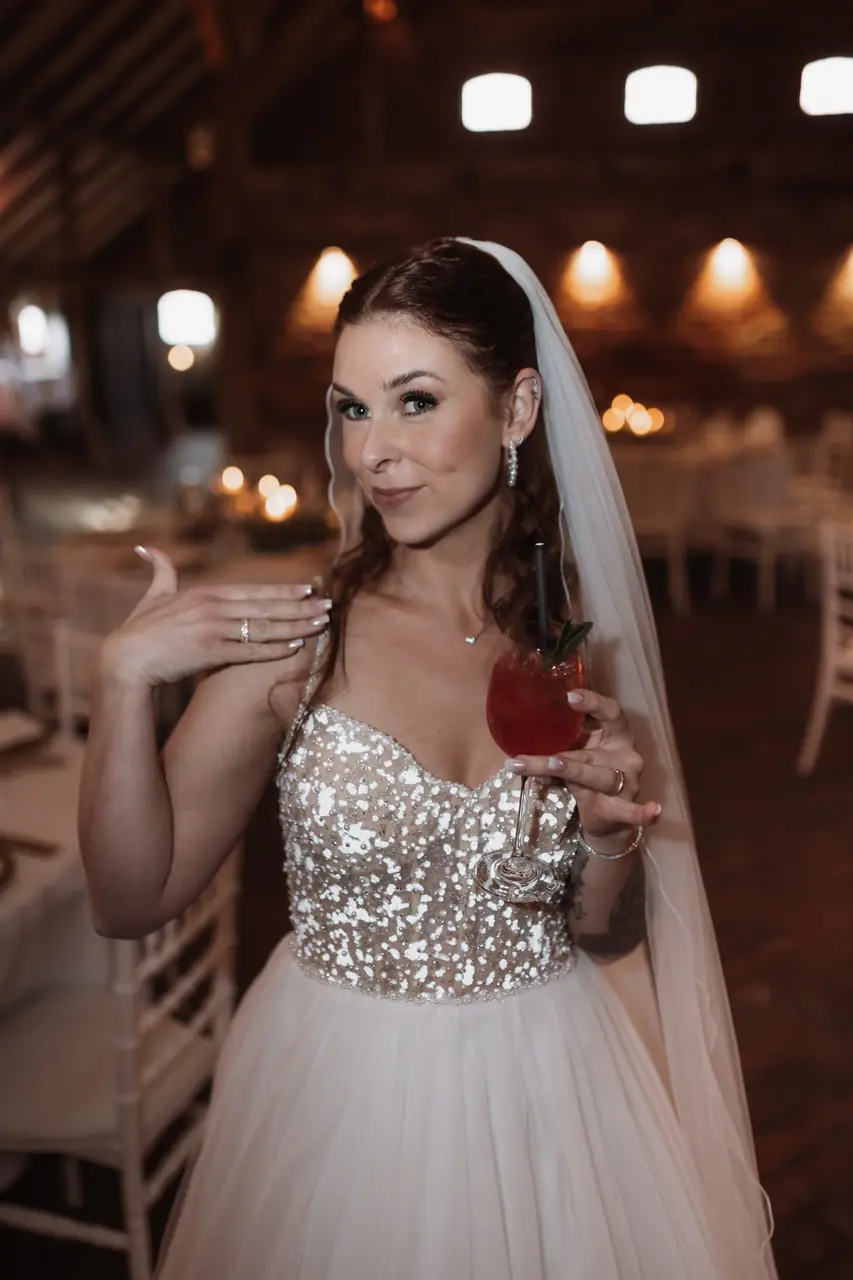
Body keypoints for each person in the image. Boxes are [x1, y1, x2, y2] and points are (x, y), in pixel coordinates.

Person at [80, 238, 776, 1279]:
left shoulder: (560, 645)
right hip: (344, 1109)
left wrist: (604, 835)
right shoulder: (300, 640)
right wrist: (121, 680)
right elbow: (128, 898)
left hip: (556, 1102)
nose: (372, 451)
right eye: (352, 409)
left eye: (414, 401)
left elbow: (602, 930)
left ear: (517, 407)